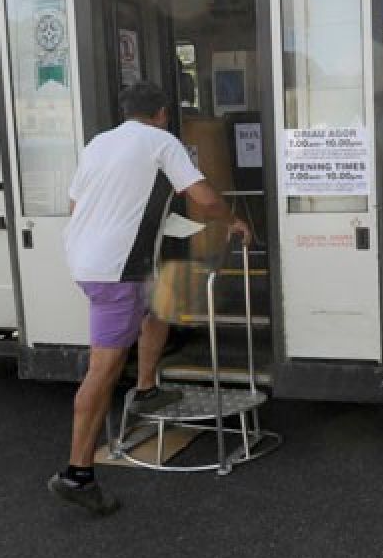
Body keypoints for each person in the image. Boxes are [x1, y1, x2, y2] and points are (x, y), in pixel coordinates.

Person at [48, 81, 250, 515]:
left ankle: (144, 389)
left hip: (91, 260)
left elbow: (75, 205)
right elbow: (204, 197)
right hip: (115, 272)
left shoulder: (100, 143)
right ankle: (77, 473)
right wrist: (232, 221)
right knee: (102, 370)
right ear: (161, 113)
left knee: (157, 307)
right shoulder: (161, 141)